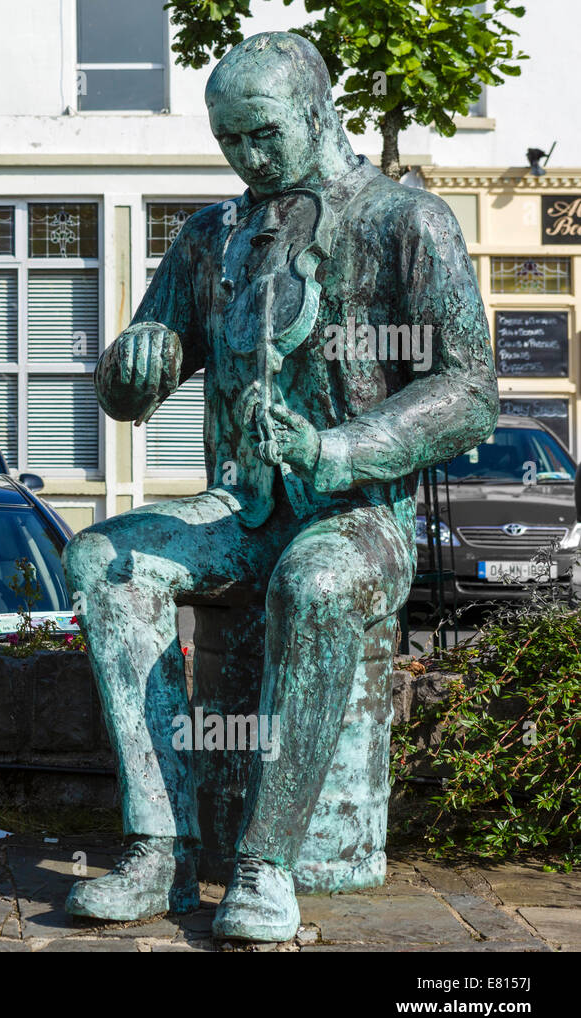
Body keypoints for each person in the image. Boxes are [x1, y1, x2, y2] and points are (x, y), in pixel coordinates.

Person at [62, 33, 497, 942]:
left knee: (316, 579)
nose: (245, 159)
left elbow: (470, 392)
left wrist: (337, 448)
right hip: (240, 509)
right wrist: (136, 365)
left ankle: (266, 863)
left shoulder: (408, 223)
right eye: (228, 142)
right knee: (104, 559)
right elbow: (139, 369)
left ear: (317, 112)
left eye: (261, 135)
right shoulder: (210, 236)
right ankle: (161, 847)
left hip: (356, 518)